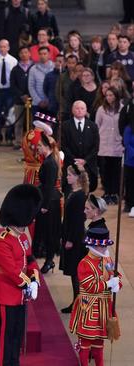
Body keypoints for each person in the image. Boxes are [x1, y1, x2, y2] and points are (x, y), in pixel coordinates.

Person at [0, 184, 42, 366]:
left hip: (20, 296)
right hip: (7, 296)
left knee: (17, 336)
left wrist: (35, 279)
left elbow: (31, 260)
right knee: (7, 337)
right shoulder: (2, 242)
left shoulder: (22, 237)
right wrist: (28, 283)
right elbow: (13, 271)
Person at [69, 227, 122, 366]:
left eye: (105, 245)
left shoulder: (107, 259)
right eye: (101, 245)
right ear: (93, 245)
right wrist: (108, 284)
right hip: (88, 307)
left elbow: (116, 276)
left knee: (99, 344)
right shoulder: (84, 263)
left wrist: (117, 284)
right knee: (85, 343)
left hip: (104, 307)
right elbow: (90, 286)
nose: (104, 248)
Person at [59, 164, 89, 313]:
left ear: (77, 178)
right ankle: (76, 302)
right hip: (71, 235)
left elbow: (78, 220)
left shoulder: (79, 196)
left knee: (76, 273)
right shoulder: (75, 192)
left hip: (75, 239)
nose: (67, 177)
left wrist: (70, 239)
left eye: (70, 175)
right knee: (74, 273)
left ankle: (78, 304)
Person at [34, 134, 62, 272]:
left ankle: (49, 260)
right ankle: (47, 258)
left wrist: (45, 206)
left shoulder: (49, 163)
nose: (37, 148)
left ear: (46, 147)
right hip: (48, 200)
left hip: (50, 203)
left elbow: (49, 185)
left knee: (50, 233)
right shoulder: (49, 160)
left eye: (39, 146)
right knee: (45, 232)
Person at [61, 100, 100, 194]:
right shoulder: (65, 126)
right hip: (70, 164)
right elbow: (63, 145)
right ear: (72, 110)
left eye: (82, 108)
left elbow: (96, 147)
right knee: (69, 192)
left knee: (86, 191)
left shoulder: (93, 126)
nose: (79, 110)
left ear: (86, 110)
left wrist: (85, 160)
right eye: (77, 108)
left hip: (88, 165)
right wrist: (75, 160)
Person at [95, 87, 123, 204]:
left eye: (111, 95)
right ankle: (107, 192)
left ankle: (115, 193)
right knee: (105, 170)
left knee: (116, 170)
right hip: (104, 143)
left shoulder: (122, 109)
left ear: (116, 96)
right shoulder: (101, 109)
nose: (109, 97)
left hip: (117, 144)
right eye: (107, 95)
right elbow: (97, 125)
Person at [10, 46, 32, 150]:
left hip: (32, 99)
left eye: (26, 52)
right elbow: (13, 85)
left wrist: (30, 95)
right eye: (22, 52)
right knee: (18, 122)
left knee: (31, 122)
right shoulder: (15, 69)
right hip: (19, 100)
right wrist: (21, 95)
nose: (24, 54)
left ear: (29, 54)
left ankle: (31, 141)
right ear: (19, 55)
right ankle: (18, 142)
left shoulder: (34, 67)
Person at [28, 46, 54, 116]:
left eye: (44, 54)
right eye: (40, 54)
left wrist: (49, 101)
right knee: (37, 126)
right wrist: (39, 101)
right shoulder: (33, 69)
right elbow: (31, 86)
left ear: (49, 54)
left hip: (51, 104)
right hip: (37, 104)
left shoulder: (54, 68)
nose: (42, 56)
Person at [119, 95, 134, 216]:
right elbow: (127, 143)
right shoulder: (128, 128)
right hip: (131, 160)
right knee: (130, 184)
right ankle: (129, 204)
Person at [57, 54, 79, 122]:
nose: (71, 65)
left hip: (79, 108)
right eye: (69, 63)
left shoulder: (81, 76)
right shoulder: (62, 77)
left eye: (73, 63)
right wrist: (65, 106)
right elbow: (58, 94)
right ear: (66, 63)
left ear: (77, 63)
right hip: (65, 109)